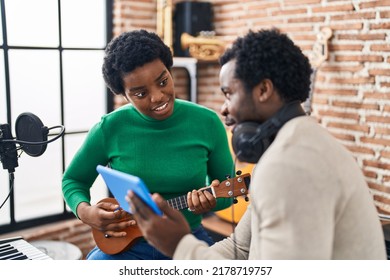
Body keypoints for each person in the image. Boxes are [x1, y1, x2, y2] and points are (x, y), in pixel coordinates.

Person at [126, 28, 387, 260]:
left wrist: (179, 245)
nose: (224, 109)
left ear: (263, 90)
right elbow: (239, 249)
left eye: (229, 94)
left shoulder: (292, 164)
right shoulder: (288, 149)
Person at [61, 29, 234, 260]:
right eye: (140, 93)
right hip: (126, 243)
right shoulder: (109, 128)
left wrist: (209, 202)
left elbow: (229, 191)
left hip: (186, 239)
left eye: (163, 81)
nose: (157, 97)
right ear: (124, 95)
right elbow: (73, 180)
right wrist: (85, 212)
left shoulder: (208, 122)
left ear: (170, 70)